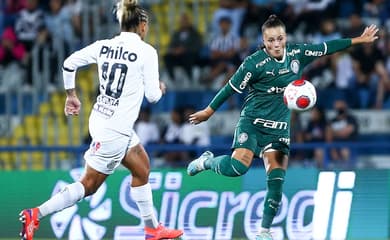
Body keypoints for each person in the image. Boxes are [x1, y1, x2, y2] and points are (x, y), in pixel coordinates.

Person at [186, 14, 378, 240]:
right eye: (270, 40)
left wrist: (359, 40)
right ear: (263, 40)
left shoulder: (297, 54)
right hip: (253, 123)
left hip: (279, 129)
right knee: (238, 167)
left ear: (285, 37)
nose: (276, 44)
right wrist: (209, 111)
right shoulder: (254, 63)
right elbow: (230, 88)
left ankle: (264, 232)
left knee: (276, 181)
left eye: (280, 39)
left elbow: (327, 47)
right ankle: (207, 161)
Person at [18, 1, 183, 240]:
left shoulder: (104, 46)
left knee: (142, 168)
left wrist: (71, 96)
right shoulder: (147, 52)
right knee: (89, 184)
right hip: (115, 131)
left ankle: (152, 229)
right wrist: (160, 87)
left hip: (103, 118)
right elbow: (152, 97)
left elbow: (69, 63)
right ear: (143, 26)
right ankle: (36, 213)